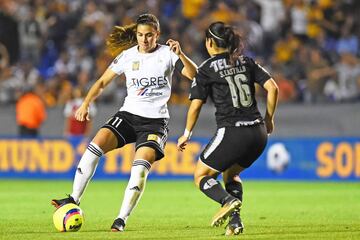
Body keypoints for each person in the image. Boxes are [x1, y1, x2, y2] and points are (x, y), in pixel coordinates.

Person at [51, 13, 197, 232]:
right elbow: (102, 82)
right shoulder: (127, 56)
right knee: (94, 146)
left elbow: (195, 75)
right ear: (136, 35)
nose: (144, 40)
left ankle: (121, 219)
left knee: (139, 171)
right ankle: (73, 198)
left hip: (154, 123)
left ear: (157, 34)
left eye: (149, 35)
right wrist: (85, 103)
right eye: (140, 35)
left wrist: (182, 54)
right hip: (128, 115)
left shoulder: (168, 54)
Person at [177, 22, 279, 236]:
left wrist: (186, 134)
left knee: (201, 175)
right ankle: (235, 223)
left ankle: (227, 200)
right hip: (258, 133)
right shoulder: (247, 61)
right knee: (231, 175)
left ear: (210, 42)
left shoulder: (206, 68)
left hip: (233, 131)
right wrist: (269, 119)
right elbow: (273, 88)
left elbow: (196, 105)